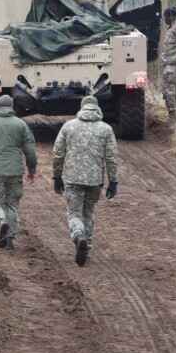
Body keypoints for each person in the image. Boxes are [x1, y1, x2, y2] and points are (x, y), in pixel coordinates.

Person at [52, 96, 118, 266]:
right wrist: (113, 181)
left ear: (82, 108)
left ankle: (78, 235)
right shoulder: (106, 129)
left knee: (74, 213)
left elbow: (58, 153)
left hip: (72, 178)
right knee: (88, 212)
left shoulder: (69, 126)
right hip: (94, 180)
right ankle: (86, 246)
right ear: (97, 109)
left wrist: (57, 176)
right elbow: (111, 158)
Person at [0, 94, 37, 249]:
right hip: (15, 171)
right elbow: (30, 150)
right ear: (12, 107)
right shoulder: (21, 124)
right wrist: (31, 169)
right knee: (12, 204)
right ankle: (9, 237)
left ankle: (1, 220)